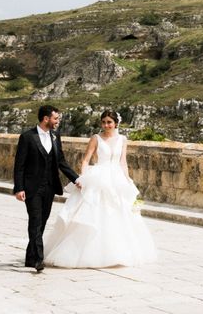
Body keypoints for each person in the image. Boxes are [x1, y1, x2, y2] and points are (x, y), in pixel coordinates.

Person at [43, 109, 157, 267]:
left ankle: (117, 253)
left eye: (109, 122)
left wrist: (128, 179)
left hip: (116, 178)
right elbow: (85, 160)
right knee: (93, 212)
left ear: (116, 123)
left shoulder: (122, 139)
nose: (106, 125)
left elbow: (123, 161)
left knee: (118, 214)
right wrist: (83, 178)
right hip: (98, 176)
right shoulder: (96, 138)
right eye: (103, 122)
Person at [13, 105, 81, 272]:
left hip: (50, 187)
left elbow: (61, 161)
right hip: (32, 188)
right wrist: (19, 188)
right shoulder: (27, 137)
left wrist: (76, 178)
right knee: (35, 221)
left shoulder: (55, 135)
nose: (58, 121)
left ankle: (30, 257)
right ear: (46, 119)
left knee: (42, 222)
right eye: (55, 118)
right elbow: (19, 165)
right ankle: (37, 260)